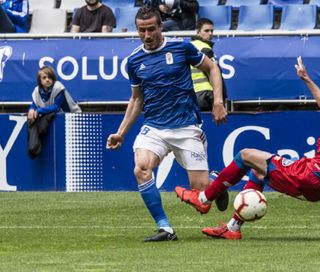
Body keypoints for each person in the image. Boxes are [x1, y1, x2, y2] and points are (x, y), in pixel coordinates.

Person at [175, 56, 320, 240]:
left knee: (245, 155)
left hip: (313, 177)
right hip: (315, 178)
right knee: (257, 171)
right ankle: (232, 228)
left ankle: (203, 199)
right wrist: (306, 78)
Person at [106, 6, 228, 242]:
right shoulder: (133, 61)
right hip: (154, 127)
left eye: (152, 29)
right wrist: (121, 133)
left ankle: (215, 183)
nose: (147, 35)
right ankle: (165, 228)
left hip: (185, 125)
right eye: (142, 30)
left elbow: (212, 68)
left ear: (161, 27)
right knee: (141, 168)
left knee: (201, 192)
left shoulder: (181, 48)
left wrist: (218, 101)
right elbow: (136, 99)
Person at [27, 66, 81, 158]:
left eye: (50, 77)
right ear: (40, 81)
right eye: (44, 78)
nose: (47, 80)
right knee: (32, 120)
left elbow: (56, 107)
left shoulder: (58, 87)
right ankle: (34, 148)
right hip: (49, 118)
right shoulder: (36, 91)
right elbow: (34, 105)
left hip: (71, 118)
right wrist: (31, 110)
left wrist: (39, 110)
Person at [191, 18, 228, 111]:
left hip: (192, 95)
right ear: (198, 32)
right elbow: (215, 74)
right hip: (205, 95)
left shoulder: (190, 46)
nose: (210, 34)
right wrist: (221, 99)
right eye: (206, 31)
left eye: (212, 31)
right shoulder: (204, 48)